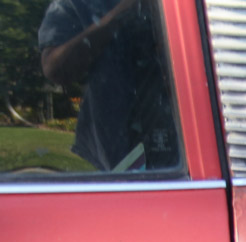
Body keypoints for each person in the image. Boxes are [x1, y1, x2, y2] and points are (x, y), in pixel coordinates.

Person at [38, 0, 178, 172]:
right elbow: (54, 69)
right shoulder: (75, 4)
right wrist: (120, 15)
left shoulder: (178, 7)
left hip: (182, 154)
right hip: (105, 162)